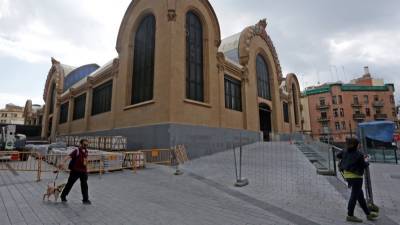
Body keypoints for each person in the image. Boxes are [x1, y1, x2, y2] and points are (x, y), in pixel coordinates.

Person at [337, 138, 378, 223]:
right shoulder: (359, 154)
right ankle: (350, 215)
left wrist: (345, 158)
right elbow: (363, 165)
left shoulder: (345, 151)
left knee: (360, 196)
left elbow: (338, 155)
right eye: (359, 144)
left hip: (347, 176)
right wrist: (367, 161)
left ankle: (368, 214)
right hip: (356, 177)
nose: (360, 145)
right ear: (356, 145)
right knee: (354, 196)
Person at [59, 139, 91, 205]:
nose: (86, 146)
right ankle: (63, 196)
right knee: (70, 184)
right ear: (81, 144)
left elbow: (85, 160)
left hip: (83, 171)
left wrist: (87, 169)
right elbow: (68, 156)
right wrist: (62, 162)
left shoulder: (86, 151)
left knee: (84, 185)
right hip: (75, 171)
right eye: (84, 145)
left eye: (87, 145)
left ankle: (85, 199)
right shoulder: (77, 151)